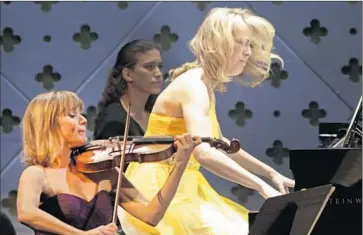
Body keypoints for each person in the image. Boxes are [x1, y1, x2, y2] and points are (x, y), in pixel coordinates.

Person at [119, 7, 295, 235]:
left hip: (183, 185)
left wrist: (269, 173)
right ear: (218, 44)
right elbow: (203, 152)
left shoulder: (203, 84)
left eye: (249, 45)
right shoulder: (193, 86)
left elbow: (218, 142)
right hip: (157, 190)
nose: (247, 53)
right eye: (240, 43)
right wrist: (260, 185)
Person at [16, 91, 201, 235]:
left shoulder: (104, 171)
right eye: (72, 115)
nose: (83, 119)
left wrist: (180, 165)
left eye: (80, 113)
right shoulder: (36, 174)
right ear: (48, 125)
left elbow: (151, 215)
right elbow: (26, 213)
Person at [93, 39, 163, 141]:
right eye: (149, 67)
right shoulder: (113, 122)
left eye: (159, 66)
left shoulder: (158, 110)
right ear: (128, 74)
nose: (158, 74)